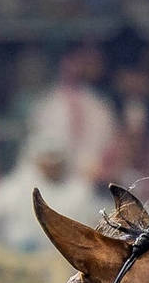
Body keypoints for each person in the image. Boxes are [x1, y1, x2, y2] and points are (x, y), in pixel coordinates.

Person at [25, 47, 117, 183]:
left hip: (91, 178)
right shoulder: (44, 106)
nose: (74, 67)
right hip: (52, 178)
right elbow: (38, 147)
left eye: (79, 62)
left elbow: (108, 144)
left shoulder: (101, 106)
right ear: (61, 63)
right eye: (69, 61)